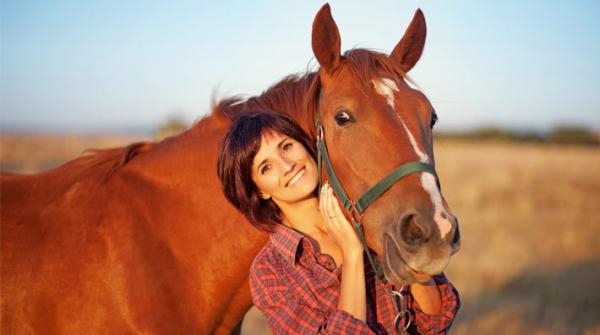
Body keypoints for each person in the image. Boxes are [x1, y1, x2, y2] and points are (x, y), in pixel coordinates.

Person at [217, 110, 460, 334]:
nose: (287, 165)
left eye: (287, 146)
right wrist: (353, 254)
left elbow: (436, 321)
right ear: (260, 191)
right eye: (266, 167)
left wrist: (416, 267)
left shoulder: (367, 213)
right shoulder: (269, 273)